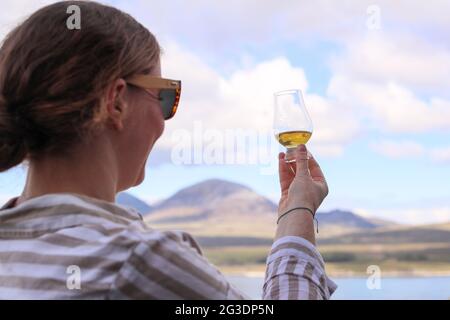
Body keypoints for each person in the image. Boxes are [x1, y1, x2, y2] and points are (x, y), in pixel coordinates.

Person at [0, 1, 336, 299]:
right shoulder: (136, 260)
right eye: (165, 97)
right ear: (115, 102)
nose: (164, 122)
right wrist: (299, 212)